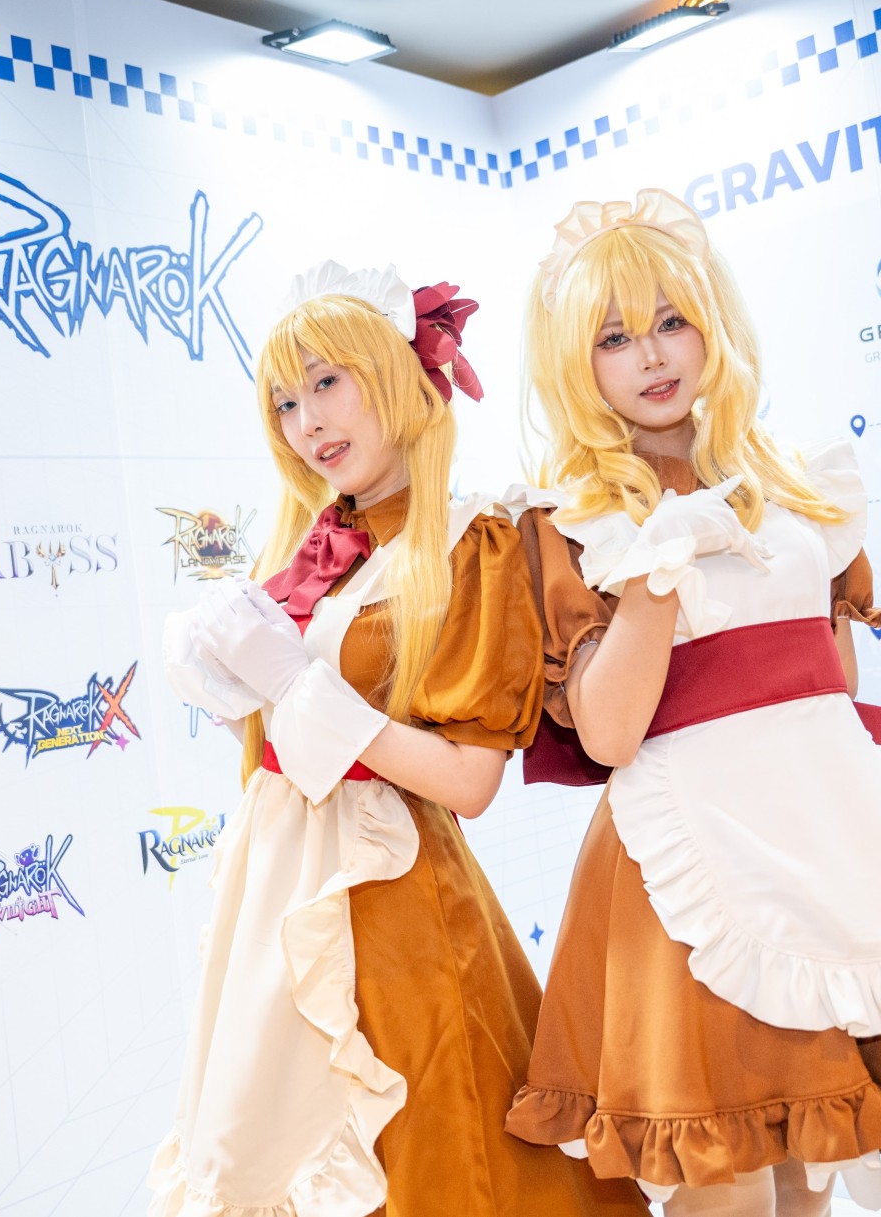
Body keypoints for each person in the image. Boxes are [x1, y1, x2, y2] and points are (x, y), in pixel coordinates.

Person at [503, 191, 881, 1216]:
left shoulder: (798, 486)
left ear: (712, 323)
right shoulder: (571, 517)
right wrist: (656, 568)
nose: (649, 355)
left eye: (670, 320)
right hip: (690, 856)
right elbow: (608, 732)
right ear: (578, 364)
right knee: (729, 1181)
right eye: (613, 338)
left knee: (814, 1161)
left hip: (831, 833)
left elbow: (833, 681)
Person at [151, 262, 648, 1217]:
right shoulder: (306, 551)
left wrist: (296, 684)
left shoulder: (470, 542)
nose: (308, 422)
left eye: (327, 382)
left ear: (393, 374)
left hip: (391, 899)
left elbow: (468, 781)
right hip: (277, 888)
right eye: (285, 402)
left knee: (429, 1156)